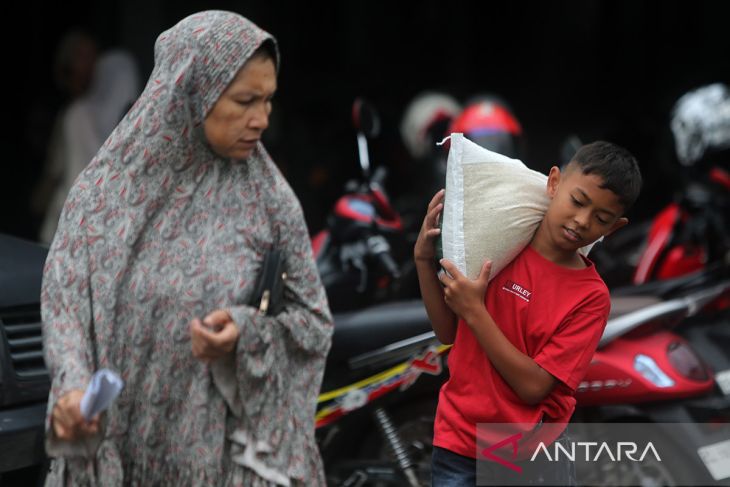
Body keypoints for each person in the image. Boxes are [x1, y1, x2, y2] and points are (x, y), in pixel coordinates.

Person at [41, 10, 333, 487]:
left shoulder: (269, 199)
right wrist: (73, 389)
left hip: (219, 463)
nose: (261, 119)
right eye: (244, 101)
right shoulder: (107, 191)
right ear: (189, 90)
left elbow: (314, 324)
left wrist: (243, 333)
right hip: (121, 449)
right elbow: (66, 303)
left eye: (268, 100)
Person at [414, 141, 642, 485]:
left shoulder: (590, 297)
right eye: (577, 201)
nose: (581, 221)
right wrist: (421, 259)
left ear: (615, 228)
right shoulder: (498, 248)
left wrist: (476, 311)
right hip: (458, 439)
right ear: (554, 183)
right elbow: (448, 333)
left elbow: (534, 387)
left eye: (601, 218)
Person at [37, 49, 141, 244]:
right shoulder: (77, 114)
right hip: (80, 219)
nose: (75, 81)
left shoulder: (118, 68)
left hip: (95, 217)